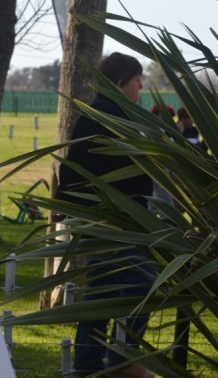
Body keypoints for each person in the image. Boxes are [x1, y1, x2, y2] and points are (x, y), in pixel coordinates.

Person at [57, 52, 155, 378]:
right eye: (136, 80)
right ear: (119, 83)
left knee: (103, 294)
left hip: (115, 222)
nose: (141, 85)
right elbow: (79, 167)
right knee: (144, 282)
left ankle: (89, 366)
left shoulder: (113, 117)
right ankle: (122, 361)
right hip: (112, 224)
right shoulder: (103, 118)